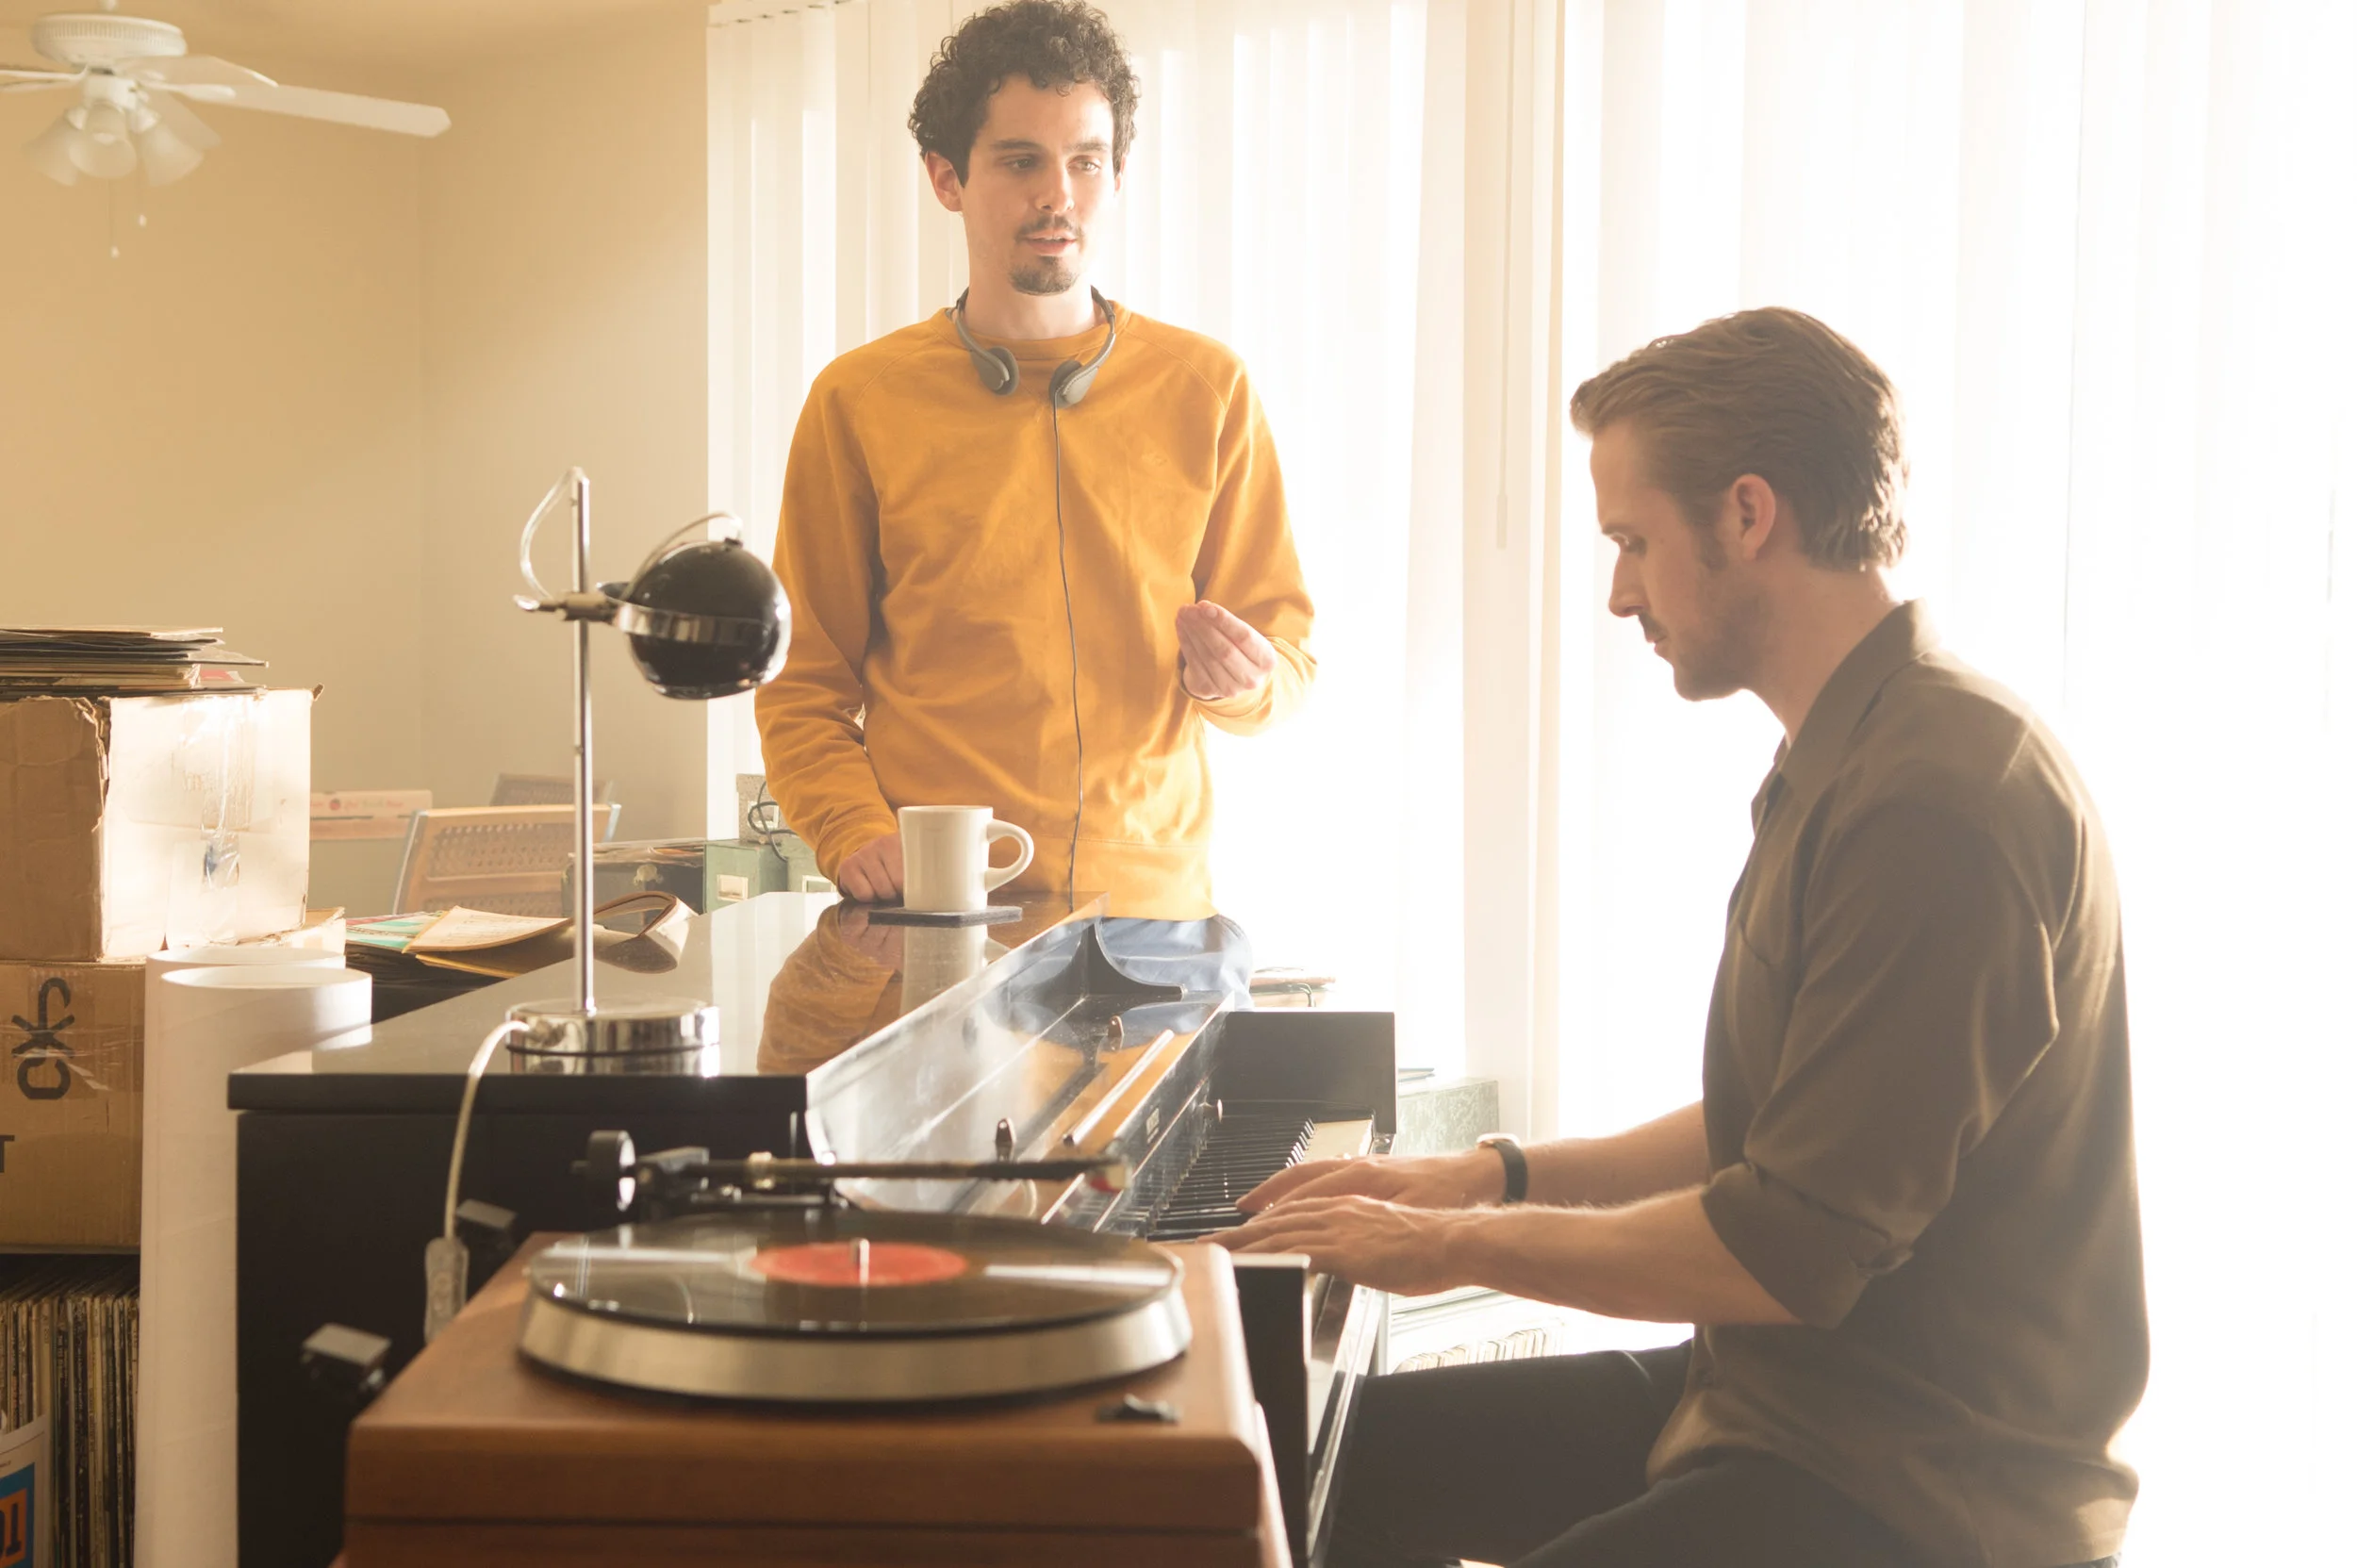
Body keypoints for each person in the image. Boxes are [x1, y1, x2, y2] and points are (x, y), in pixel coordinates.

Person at [1224, 309, 2145, 1568]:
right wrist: (1483, 1175)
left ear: (1749, 514)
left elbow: (1784, 1249)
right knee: (1307, 1469)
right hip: (1782, 1404)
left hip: (1917, 1489)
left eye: (1633, 540)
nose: (1617, 591)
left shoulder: (1938, 798)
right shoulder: (1858, 750)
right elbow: (1775, 1129)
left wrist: (1445, 1244)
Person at [753, 0, 1311, 999]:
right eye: (1019, 161)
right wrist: (855, 832)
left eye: (1086, 161)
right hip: (947, 936)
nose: (1059, 194)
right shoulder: (858, 402)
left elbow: (1287, 660)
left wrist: (1244, 681)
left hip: (1165, 938)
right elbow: (801, 685)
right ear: (946, 177)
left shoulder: (1207, 387)